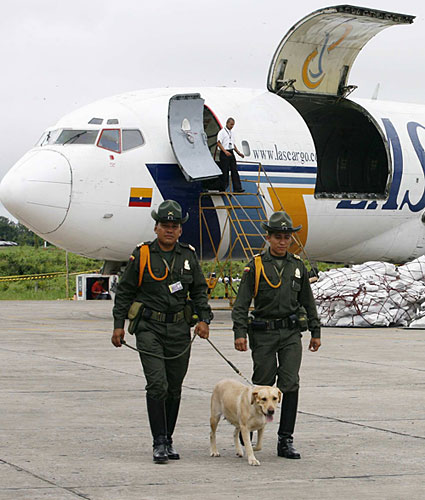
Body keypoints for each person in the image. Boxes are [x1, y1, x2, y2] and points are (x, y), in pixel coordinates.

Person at [111, 200, 212, 464]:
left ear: (180, 230)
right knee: (158, 384)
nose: (169, 230)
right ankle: (158, 442)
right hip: (149, 328)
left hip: (179, 328)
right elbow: (125, 292)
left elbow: (199, 290)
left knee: (174, 387)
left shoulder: (188, 256)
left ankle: (168, 438)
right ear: (156, 227)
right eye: (165, 226)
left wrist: (204, 319)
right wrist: (118, 325)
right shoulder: (142, 254)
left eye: (174, 226)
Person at [232, 210, 321, 459]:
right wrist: (239, 332)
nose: (283, 241)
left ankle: (285, 440)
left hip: (291, 333)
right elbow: (241, 303)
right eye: (278, 236)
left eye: (287, 237)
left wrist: (316, 330)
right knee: (261, 384)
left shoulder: (297, 266)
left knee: (290, 383)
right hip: (264, 334)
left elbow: (308, 301)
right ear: (268, 237)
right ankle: (247, 436)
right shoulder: (256, 266)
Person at [216, 117, 245, 192]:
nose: (232, 126)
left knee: (234, 170)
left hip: (231, 152)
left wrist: (238, 152)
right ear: (227, 123)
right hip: (224, 152)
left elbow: (232, 144)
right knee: (224, 171)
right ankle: (222, 188)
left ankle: (237, 188)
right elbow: (218, 143)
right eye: (231, 124)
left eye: (233, 125)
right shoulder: (222, 132)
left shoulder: (231, 133)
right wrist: (225, 151)